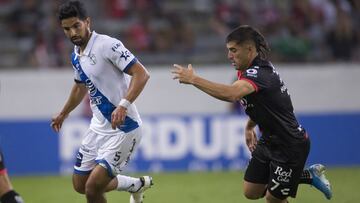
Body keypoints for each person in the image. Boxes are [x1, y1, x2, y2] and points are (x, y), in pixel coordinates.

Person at [172, 25, 332, 203]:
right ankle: (306, 175)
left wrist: (194, 79)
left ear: (249, 49)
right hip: (269, 139)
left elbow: (231, 94)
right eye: (228, 50)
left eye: (233, 50)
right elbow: (265, 105)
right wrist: (250, 126)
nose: (229, 56)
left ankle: (302, 176)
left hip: (289, 145)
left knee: (273, 200)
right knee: (251, 191)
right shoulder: (247, 70)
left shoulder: (259, 74)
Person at [51, 1, 152, 203]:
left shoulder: (107, 45)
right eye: (66, 29)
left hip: (124, 128)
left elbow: (141, 74)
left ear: (87, 22)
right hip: (97, 129)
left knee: (92, 189)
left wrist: (123, 105)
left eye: (76, 26)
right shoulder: (76, 55)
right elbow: (80, 86)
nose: (72, 33)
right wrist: (64, 112)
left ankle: (134, 186)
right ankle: (135, 185)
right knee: (80, 185)